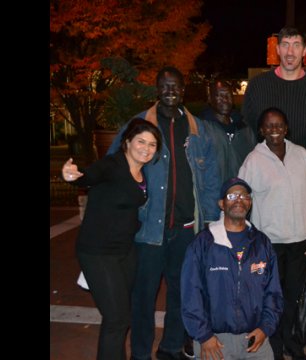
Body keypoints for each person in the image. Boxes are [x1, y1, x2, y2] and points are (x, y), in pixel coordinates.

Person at [108, 66, 221, 360]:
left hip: (185, 229)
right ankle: (141, 353)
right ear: (157, 89)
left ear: (183, 90)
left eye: (176, 87)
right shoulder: (139, 124)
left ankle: (170, 348)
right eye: (165, 86)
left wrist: (209, 221)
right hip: (148, 230)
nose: (171, 92)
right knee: (143, 296)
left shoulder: (199, 129)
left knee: (181, 293)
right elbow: (113, 165)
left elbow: (210, 180)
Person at [62, 118, 162, 360]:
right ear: (127, 142)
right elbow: (89, 174)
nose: (146, 148)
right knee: (118, 318)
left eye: (152, 144)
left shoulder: (142, 172)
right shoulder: (112, 165)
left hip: (125, 251)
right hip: (98, 251)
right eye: (141, 141)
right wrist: (74, 175)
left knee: (118, 317)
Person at [238, 107, 306, 360]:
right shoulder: (253, 161)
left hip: (300, 243)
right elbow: (241, 201)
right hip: (269, 245)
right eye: (269, 126)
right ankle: (273, 348)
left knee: (292, 298)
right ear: (262, 130)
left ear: (287, 128)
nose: (274, 130)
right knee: (271, 299)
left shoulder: (303, 156)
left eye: (279, 125)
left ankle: (291, 343)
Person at [181, 177, 284, 360]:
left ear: (250, 203)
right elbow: (191, 294)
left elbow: (273, 293)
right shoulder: (203, 243)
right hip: (214, 341)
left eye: (244, 196)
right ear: (222, 203)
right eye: (232, 195)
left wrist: (265, 328)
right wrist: (204, 336)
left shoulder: (262, 244)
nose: (239, 199)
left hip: (255, 338)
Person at [242, 26, 306, 149]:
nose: (290, 52)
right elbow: (247, 130)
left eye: (296, 45)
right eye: (285, 45)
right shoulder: (257, 86)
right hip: (266, 164)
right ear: (278, 49)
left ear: (304, 51)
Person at [199, 79, 256, 182]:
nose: (224, 99)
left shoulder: (245, 129)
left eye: (228, 95)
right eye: (219, 95)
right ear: (210, 99)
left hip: (243, 193)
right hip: (215, 195)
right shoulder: (202, 130)